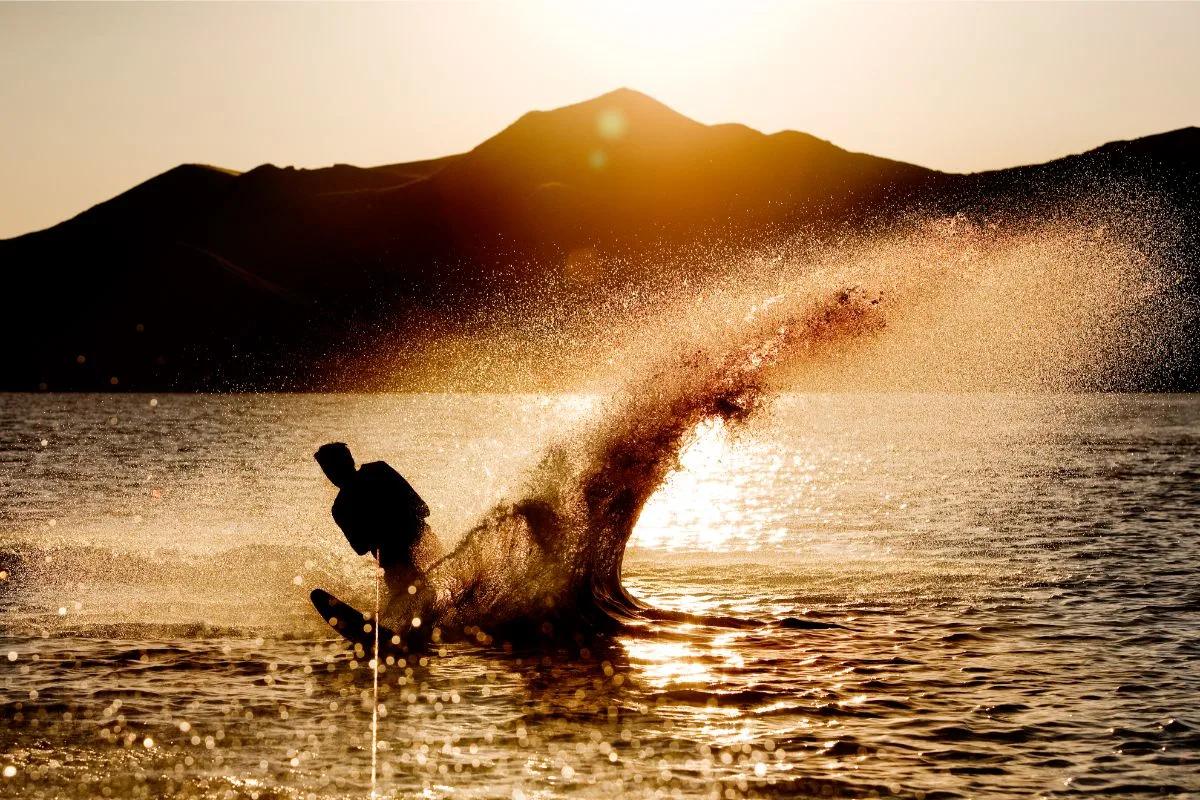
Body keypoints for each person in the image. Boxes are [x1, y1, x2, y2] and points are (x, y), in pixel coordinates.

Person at [314, 443, 441, 590]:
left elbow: (422, 509)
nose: (329, 475)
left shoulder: (342, 507)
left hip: (415, 548)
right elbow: (422, 509)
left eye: (329, 469)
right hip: (407, 556)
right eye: (326, 470)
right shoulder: (378, 470)